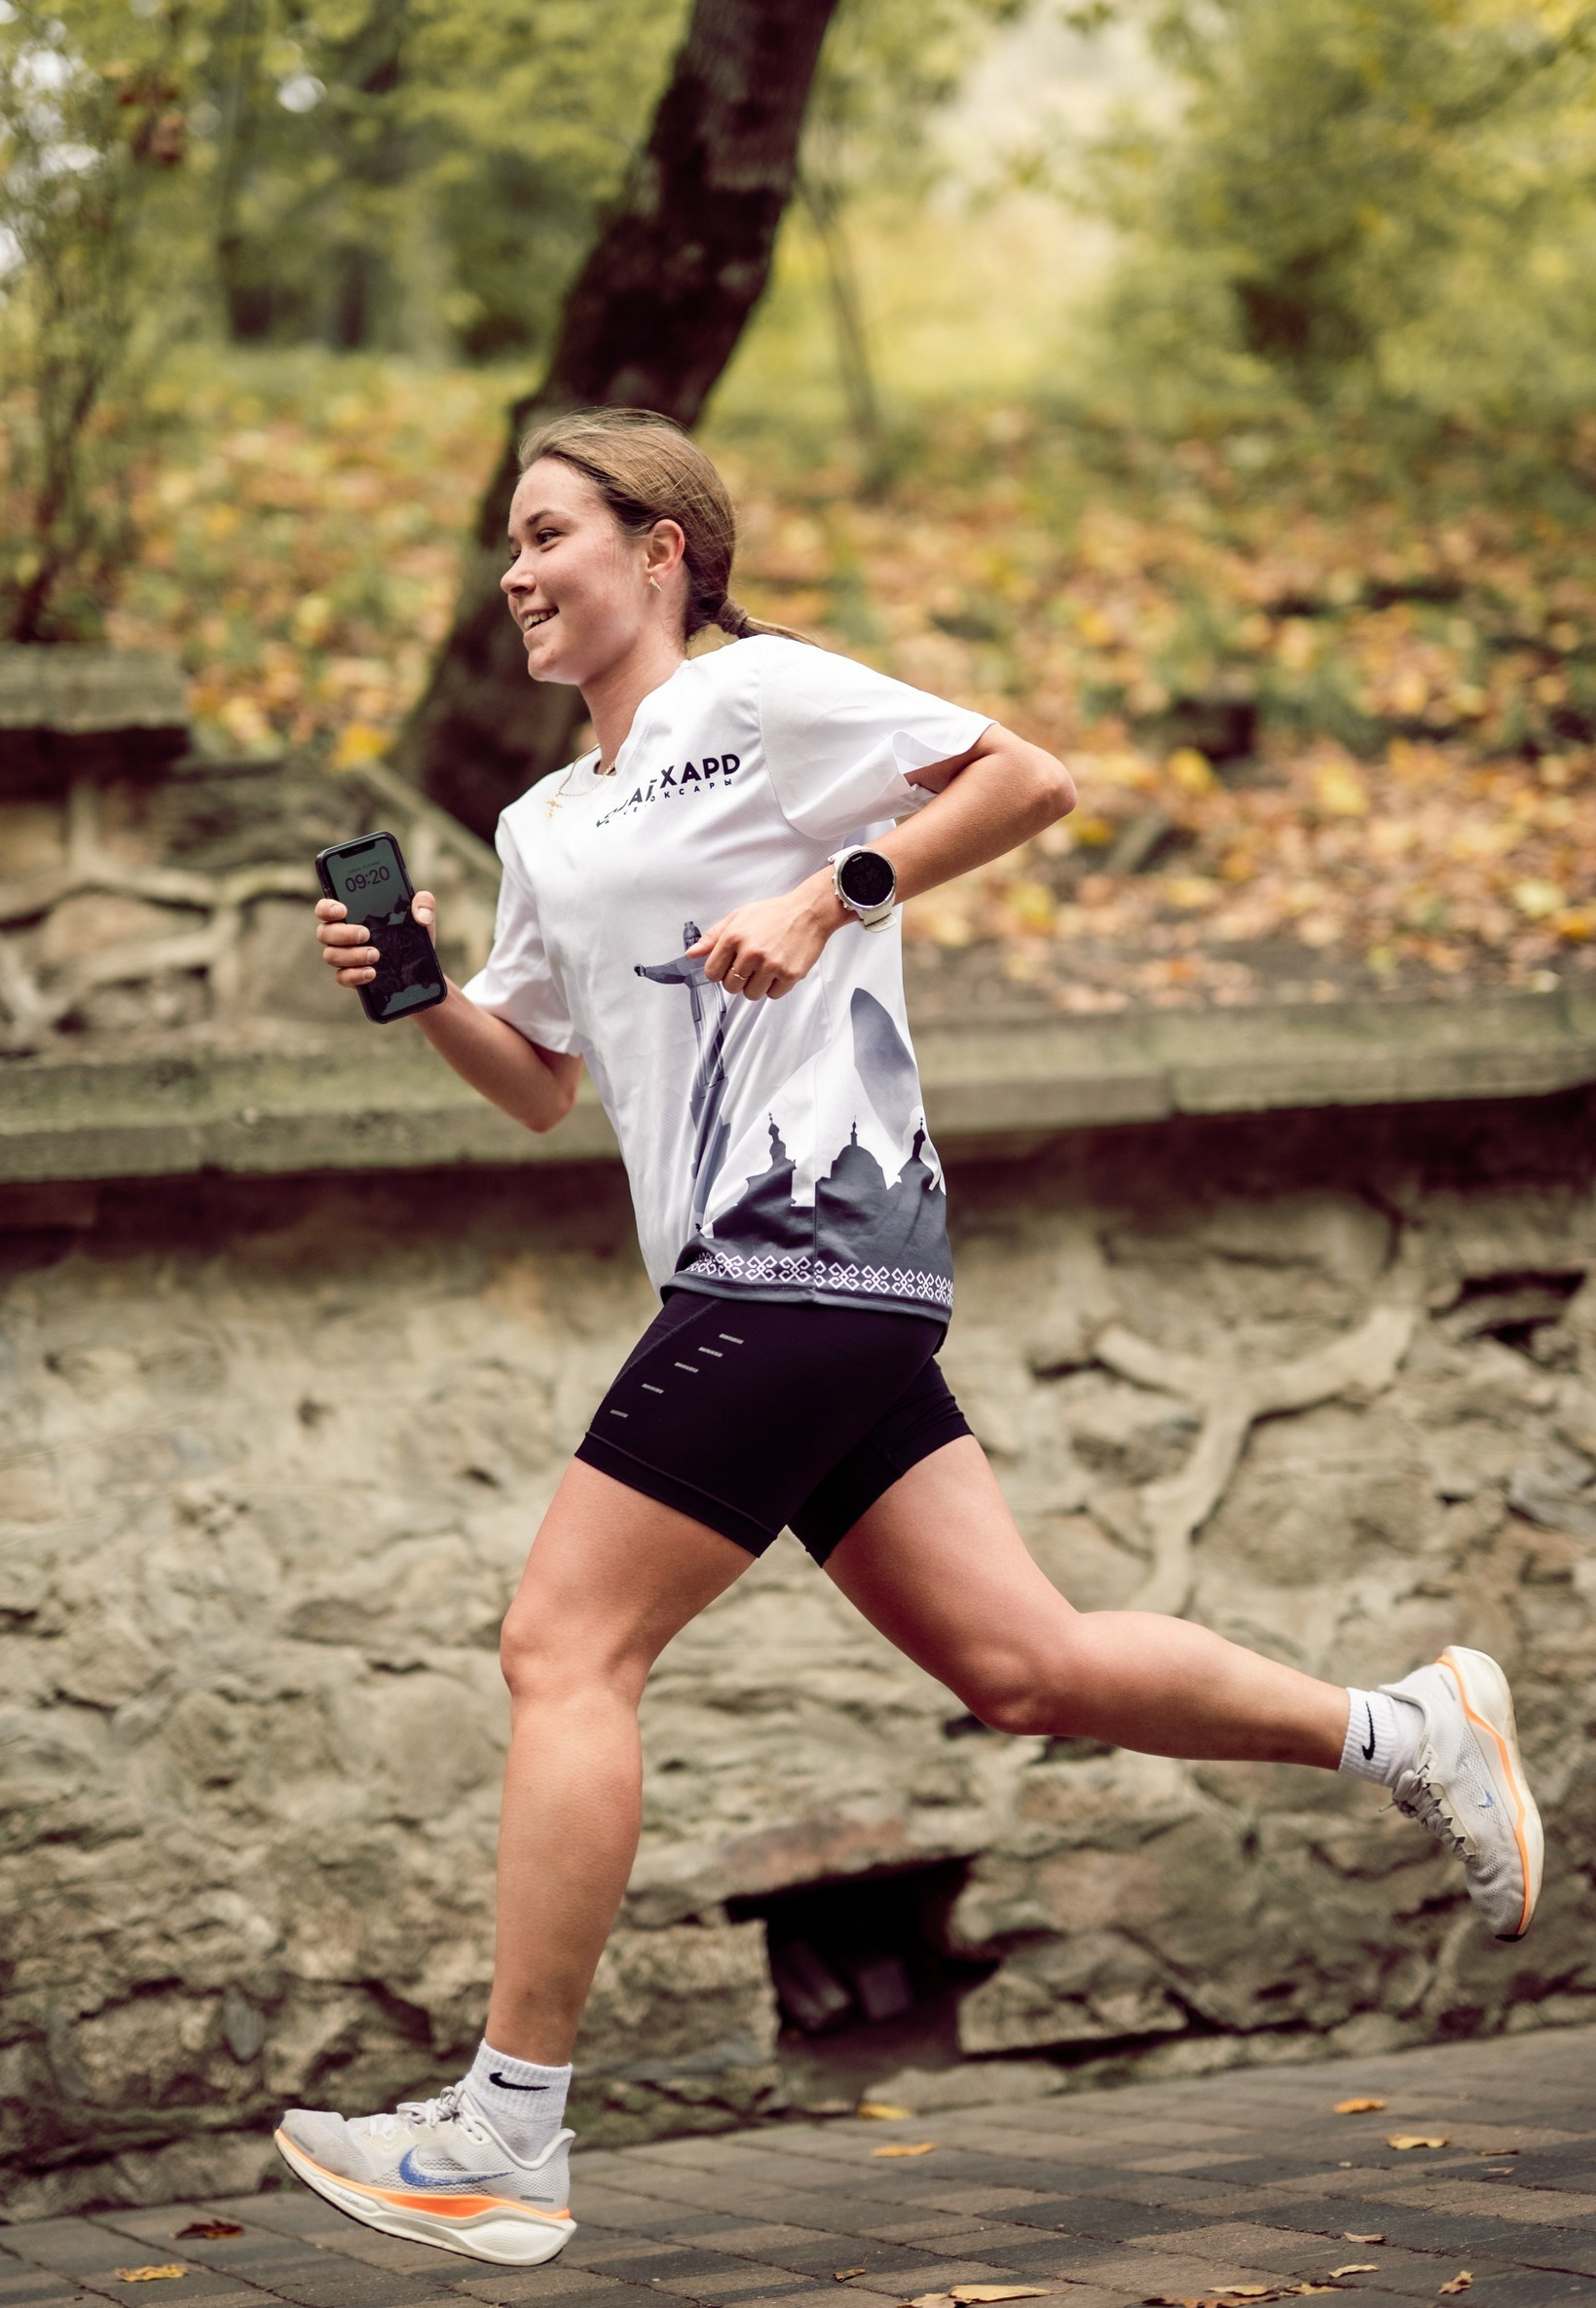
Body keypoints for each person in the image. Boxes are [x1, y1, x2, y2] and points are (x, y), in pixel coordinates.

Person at [279, 408, 1543, 2268]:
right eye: (510, 545)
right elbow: (544, 1084)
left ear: (663, 550)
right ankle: (1411, 1727)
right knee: (1024, 1664)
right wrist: (421, 996)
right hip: (757, 1278)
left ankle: (504, 2134)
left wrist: (833, 889)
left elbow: (1028, 777)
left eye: (550, 534)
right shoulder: (541, 822)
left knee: (563, 1646)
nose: (517, 573)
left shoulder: (763, 696)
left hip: (811, 1237)